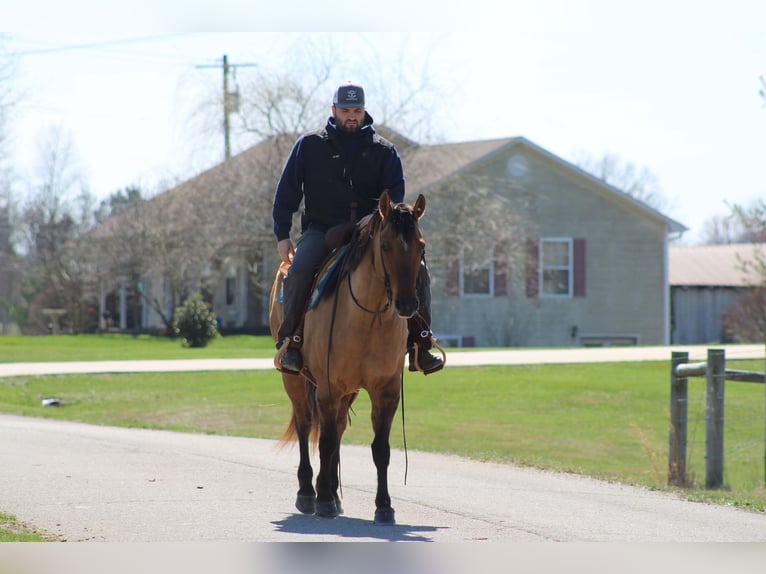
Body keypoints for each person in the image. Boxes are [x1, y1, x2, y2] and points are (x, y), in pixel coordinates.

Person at [272, 82, 443, 376]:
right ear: (333, 110)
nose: (352, 116)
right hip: (321, 230)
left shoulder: (384, 151)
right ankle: (292, 342)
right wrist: (282, 234)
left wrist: (378, 223)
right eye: (346, 110)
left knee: (420, 271)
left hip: (372, 233)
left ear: (364, 111)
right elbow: (287, 192)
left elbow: (396, 198)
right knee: (299, 270)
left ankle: (420, 343)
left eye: (357, 110)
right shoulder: (310, 145)